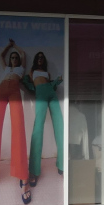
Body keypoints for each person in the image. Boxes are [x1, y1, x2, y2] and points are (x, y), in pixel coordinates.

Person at [22, 51, 64, 189]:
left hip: (51, 93)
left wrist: (57, 81)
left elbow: (51, 85)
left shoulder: (47, 73)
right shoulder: (31, 71)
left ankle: (62, 164)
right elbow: (28, 83)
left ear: (44, 60)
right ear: (36, 59)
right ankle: (33, 170)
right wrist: (33, 88)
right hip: (40, 93)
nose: (40, 58)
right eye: (38, 57)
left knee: (60, 126)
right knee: (38, 128)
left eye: (42, 57)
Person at [0, 40, 30, 203]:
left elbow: (23, 54)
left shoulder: (20, 69)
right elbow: (1, 55)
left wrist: (15, 46)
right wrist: (9, 47)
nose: (15, 59)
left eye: (16, 57)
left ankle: (23, 177)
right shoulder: (6, 68)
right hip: (1, 90)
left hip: (14, 91)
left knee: (18, 130)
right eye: (12, 57)